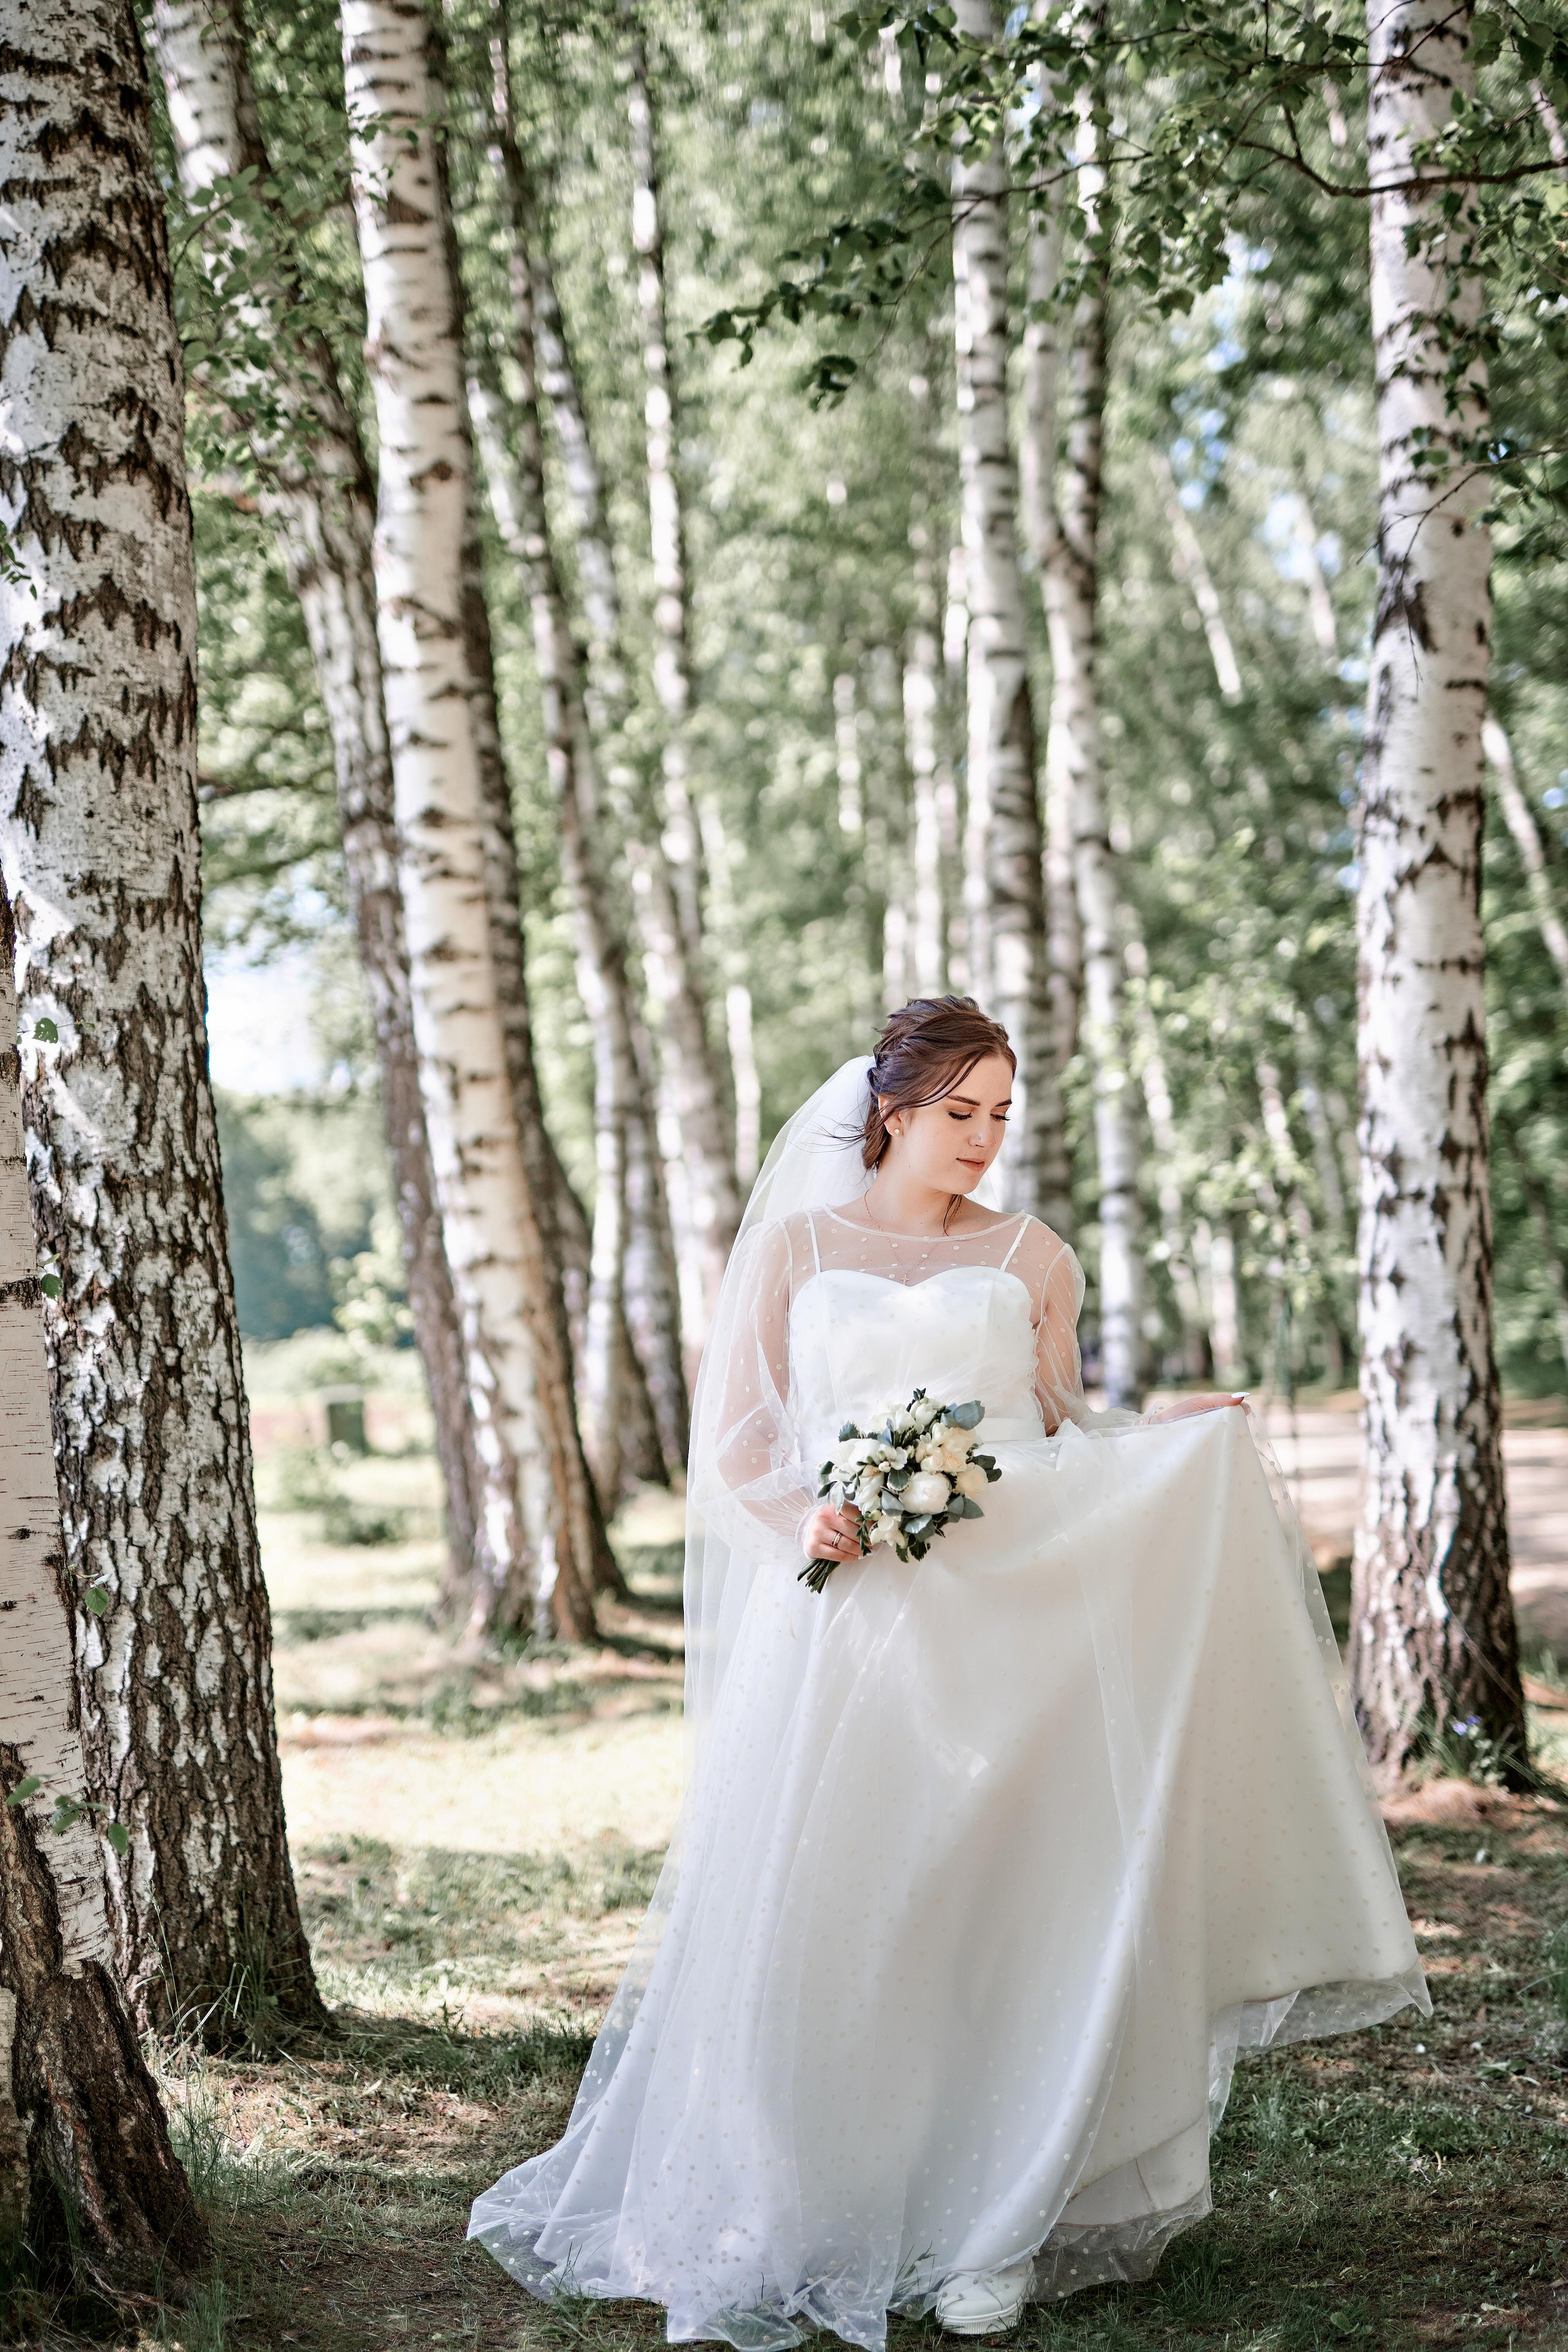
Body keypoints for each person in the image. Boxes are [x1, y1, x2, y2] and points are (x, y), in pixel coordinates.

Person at [470, 997, 1428, 2348]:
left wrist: (1177, 1443)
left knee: (1013, 1901)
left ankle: (1004, 2221)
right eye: (957, 1112)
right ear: (891, 1111)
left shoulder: (1034, 1254)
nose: (981, 1140)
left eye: (999, 1114)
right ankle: (818, 2190)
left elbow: (1062, 1429)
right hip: (853, 1623)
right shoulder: (795, 1249)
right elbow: (736, 1445)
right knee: (854, 1897)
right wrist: (800, 1513)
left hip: (1019, 1621)